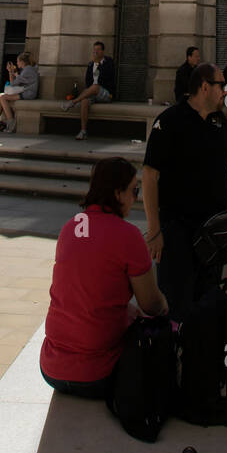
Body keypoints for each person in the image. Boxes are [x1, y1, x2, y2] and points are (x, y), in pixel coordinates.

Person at [40, 157, 167, 399]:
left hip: (51, 369)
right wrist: (165, 305)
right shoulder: (128, 235)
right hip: (99, 374)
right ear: (118, 194)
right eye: (134, 191)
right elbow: (151, 304)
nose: (136, 198)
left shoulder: (71, 227)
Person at [142, 61, 227, 321]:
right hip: (178, 232)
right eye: (221, 85)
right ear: (204, 87)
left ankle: (200, 358)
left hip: (213, 232)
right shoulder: (171, 120)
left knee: (207, 304)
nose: (226, 92)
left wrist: (215, 174)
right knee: (176, 305)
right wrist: (154, 230)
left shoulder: (219, 121)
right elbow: (150, 175)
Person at [71, 41, 116, 140]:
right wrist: (94, 64)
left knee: (95, 87)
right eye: (94, 50)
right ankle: (83, 131)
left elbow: (105, 79)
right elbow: (87, 81)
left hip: (106, 93)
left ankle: (74, 101)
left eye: (98, 50)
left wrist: (98, 64)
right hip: (92, 93)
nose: (96, 52)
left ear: (103, 51)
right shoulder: (91, 64)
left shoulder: (108, 62)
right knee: (84, 101)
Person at [0, 51, 39, 132]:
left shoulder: (27, 70)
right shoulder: (27, 69)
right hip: (27, 92)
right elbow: (13, 83)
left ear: (22, 62)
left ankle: (11, 122)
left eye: (17, 61)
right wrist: (11, 72)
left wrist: (11, 72)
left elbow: (13, 84)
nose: (17, 63)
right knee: (1, 96)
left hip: (28, 94)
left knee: (2, 97)